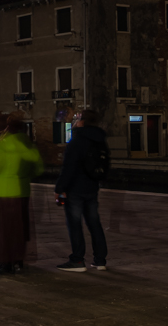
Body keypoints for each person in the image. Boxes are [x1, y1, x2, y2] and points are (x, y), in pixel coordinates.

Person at [0, 114, 43, 274]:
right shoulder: (25, 144)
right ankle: (18, 260)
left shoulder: (4, 144)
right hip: (20, 190)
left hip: (3, 191)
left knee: (3, 230)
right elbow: (36, 163)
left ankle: (4, 262)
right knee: (18, 228)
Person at [53, 108, 107, 273]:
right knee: (94, 223)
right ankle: (100, 260)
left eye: (78, 118)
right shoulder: (100, 140)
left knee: (75, 224)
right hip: (92, 187)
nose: (75, 120)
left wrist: (60, 188)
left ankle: (77, 260)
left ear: (83, 121)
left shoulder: (77, 141)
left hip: (75, 189)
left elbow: (68, 168)